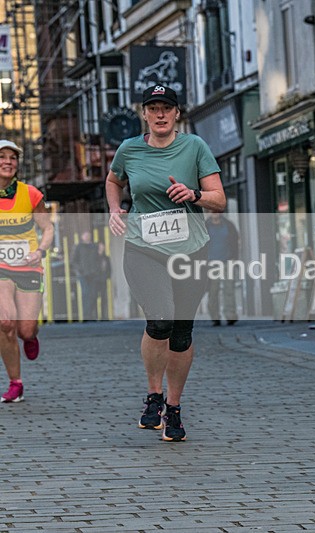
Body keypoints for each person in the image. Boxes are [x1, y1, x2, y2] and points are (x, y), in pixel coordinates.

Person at [105, 84, 226, 441]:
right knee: (160, 319)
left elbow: (219, 200)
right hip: (145, 248)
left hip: (190, 250)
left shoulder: (195, 147)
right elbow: (113, 181)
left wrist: (194, 194)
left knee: (181, 332)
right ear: (144, 113)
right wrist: (115, 209)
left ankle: (174, 407)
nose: (160, 114)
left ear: (177, 114)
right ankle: (153, 395)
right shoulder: (129, 150)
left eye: (166, 108)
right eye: (153, 108)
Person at [0, 139, 54, 403]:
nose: (7, 162)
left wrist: (40, 251)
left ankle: (31, 335)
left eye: (12, 158)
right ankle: (15, 383)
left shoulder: (31, 194)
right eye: (2, 156)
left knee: (25, 330)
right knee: (4, 323)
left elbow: (48, 229)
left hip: (28, 266)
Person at [205, 212, 239, 326]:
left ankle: (231, 316)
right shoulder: (205, 226)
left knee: (229, 289)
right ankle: (215, 317)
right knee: (213, 291)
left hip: (227, 261)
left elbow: (235, 242)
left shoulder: (229, 225)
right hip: (211, 264)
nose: (214, 213)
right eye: (211, 210)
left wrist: (235, 258)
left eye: (216, 210)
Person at [72, 231, 101, 321]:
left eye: (89, 235)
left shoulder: (94, 247)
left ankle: (92, 313)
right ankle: (86, 315)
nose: (87, 237)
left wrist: (97, 269)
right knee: (85, 293)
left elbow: (98, 259)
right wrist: (79, 270)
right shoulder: (79, 247)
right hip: (83, 274)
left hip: (93, 274)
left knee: (93, 294)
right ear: (82, 237)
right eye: (86, 235)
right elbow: (74, 260)